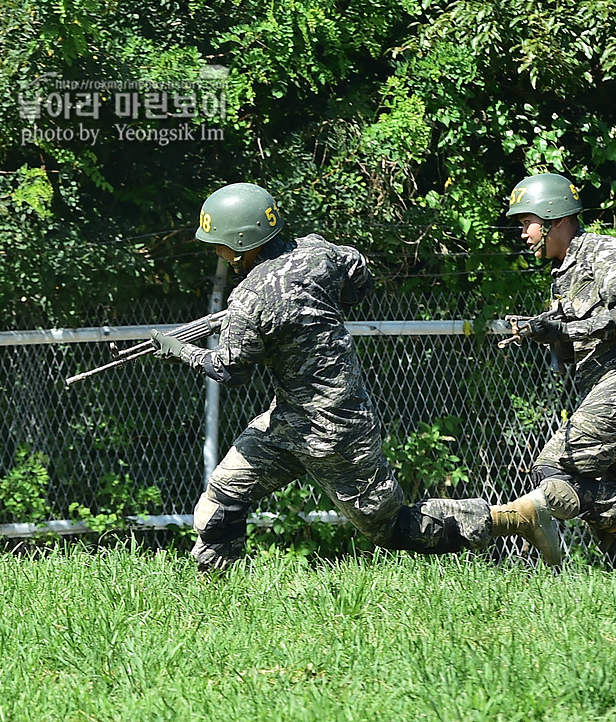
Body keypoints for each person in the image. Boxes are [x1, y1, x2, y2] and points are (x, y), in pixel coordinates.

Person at [151, 182, 561, 571]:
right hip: (289, 420)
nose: (218, 253)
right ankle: (215, 593)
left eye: (220, 245)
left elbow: (229, 369)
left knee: (394, 528)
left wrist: (179, 351)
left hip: (334, 430)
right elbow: (358, 273)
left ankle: (518, 517)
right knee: (222, 500)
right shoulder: (316, 252)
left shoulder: (250, 297)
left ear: (241, 244)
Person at [503, 173, 616, 585]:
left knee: (555, 469)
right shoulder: (563, 273)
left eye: (527, 222)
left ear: (554, 218)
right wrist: (545, 331)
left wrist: (564, 330)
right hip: (599, 387)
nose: (523, 234)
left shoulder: (603, 252)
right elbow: (575, 343)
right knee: (600, 494)